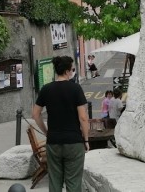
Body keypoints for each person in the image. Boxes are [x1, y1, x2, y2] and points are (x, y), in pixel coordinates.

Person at [32, 56, 89, 192]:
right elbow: (83, 117)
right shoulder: (76, 89)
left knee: (55, 182)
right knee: (74, 183)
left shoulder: (46, 89)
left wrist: (46, 132)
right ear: (68, 71)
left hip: (53, 142)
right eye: (72, 69)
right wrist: (86, 139)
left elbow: (35, 114)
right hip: (73, 142)